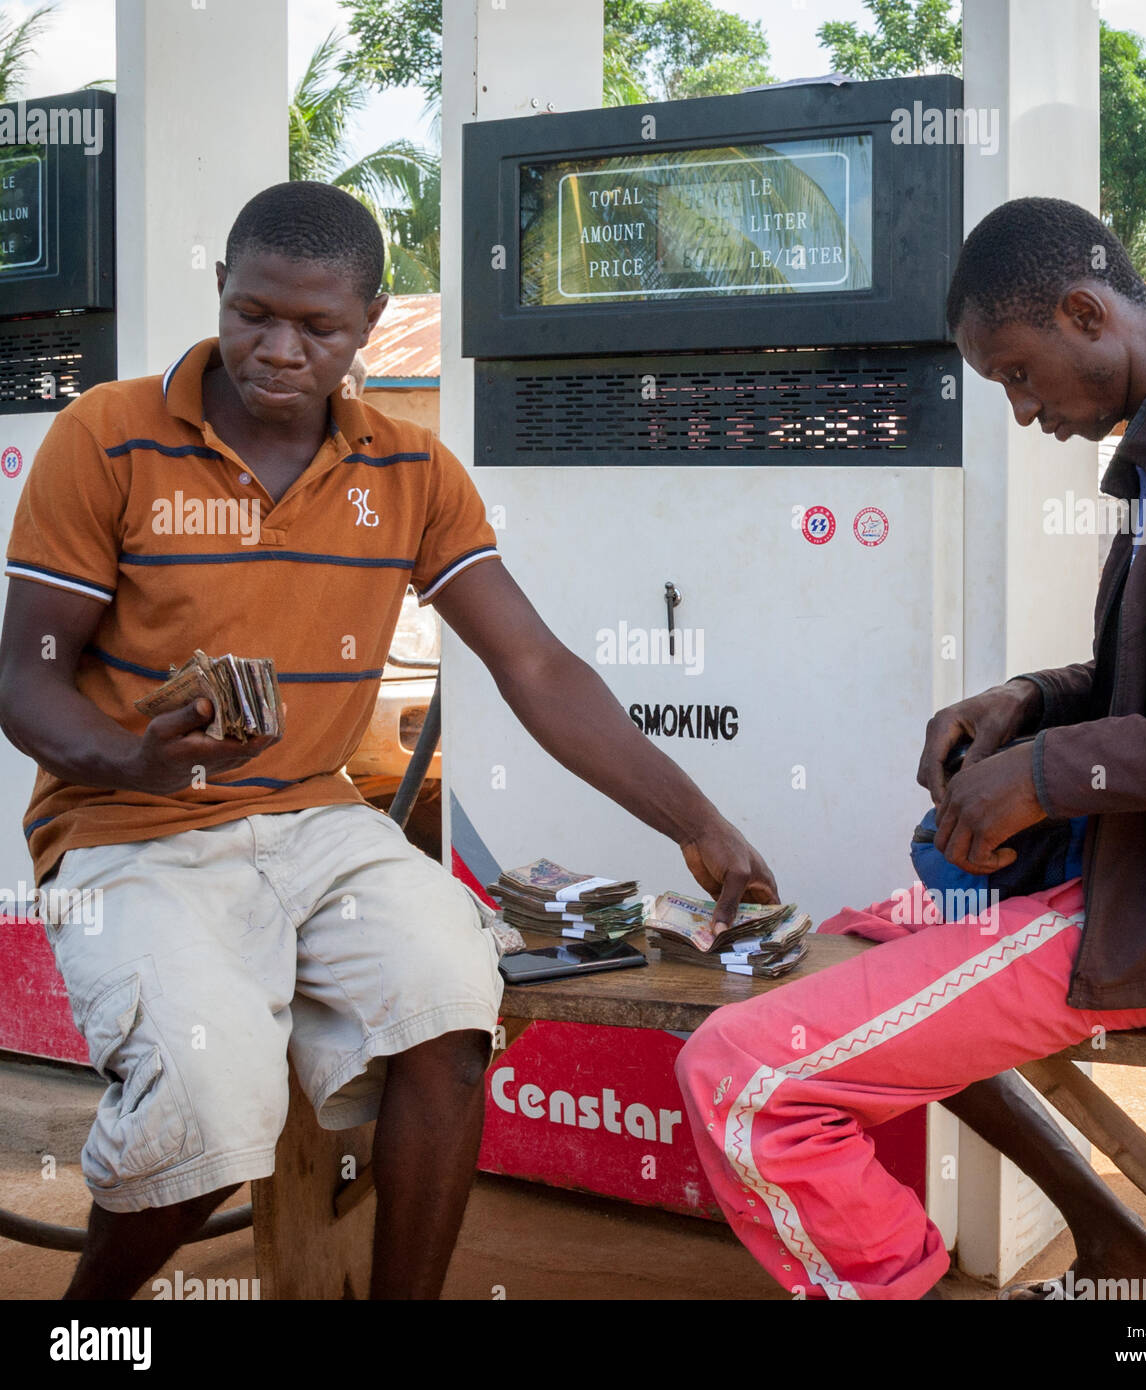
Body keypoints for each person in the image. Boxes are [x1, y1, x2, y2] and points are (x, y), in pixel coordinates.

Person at [0, 180, 777, 1300]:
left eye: (318, 328)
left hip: (317, 821)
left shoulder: (411, 473)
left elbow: (537, 665)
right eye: (255, 312)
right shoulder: (106, 436)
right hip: (128, 827)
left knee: (448, 1008)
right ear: (219, 287)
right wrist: (135, 758)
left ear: (368, 323)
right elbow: (23, 678)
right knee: (210, 1107)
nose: (279, 349)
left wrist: (696, 821)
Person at [674, 196, 1146, 1301]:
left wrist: (1051, 774)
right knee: (871, 934)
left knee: (740, 1073)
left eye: (1017, 372)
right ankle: (1121, 1249)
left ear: (1083, 310)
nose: (1021, 411)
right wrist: (1028, 701)